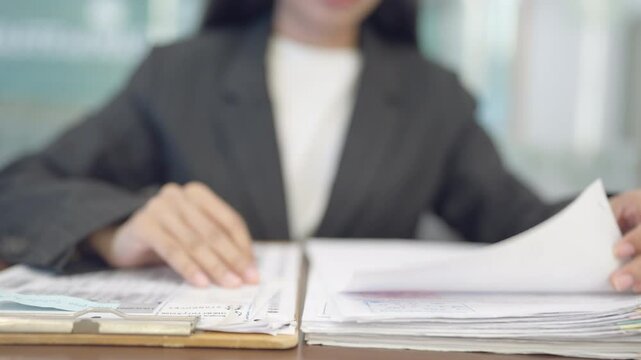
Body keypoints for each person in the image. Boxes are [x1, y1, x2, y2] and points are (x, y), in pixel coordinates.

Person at [0, 0, 640, 291]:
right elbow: (20, 186)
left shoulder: (433, 96)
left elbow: (516, 221)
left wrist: (609, 222)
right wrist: (115, 229)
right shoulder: (177, 74)